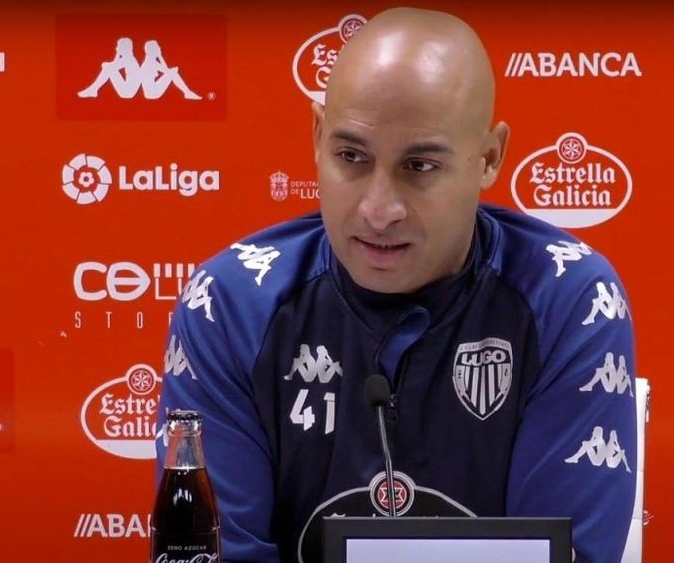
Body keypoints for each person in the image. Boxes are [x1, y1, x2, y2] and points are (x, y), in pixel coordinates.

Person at [156, 7, 638, 563]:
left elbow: (564, 553)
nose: (378, 210)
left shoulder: (570, 300)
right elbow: (214, 554)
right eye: (351, 157)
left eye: (420, 167)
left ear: (488, 158)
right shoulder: (230, 303)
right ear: (316, 138)